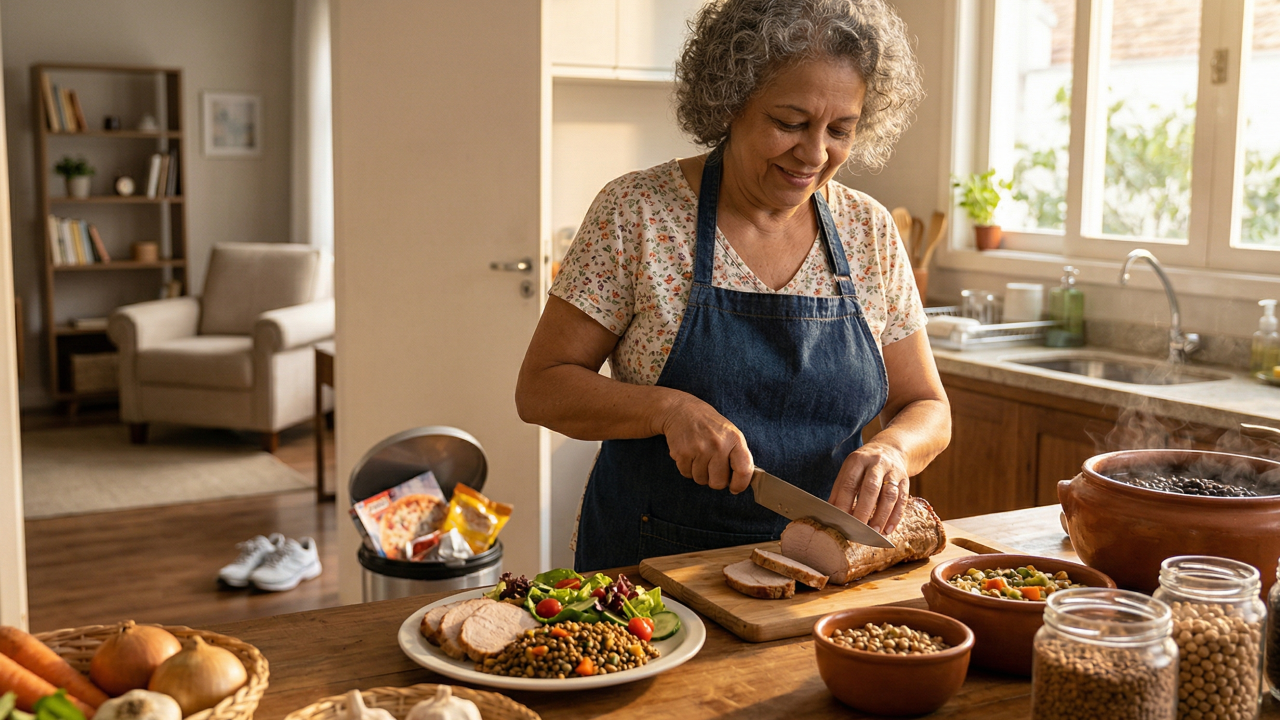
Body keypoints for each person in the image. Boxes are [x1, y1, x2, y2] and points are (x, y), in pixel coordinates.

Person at [516, 0, 951, 572]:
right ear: (729, 102)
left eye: (840, 129)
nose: (815, 153)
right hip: (652, 571)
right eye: (789, 123)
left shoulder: (867, 231)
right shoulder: (638, 212)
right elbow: (541, 389)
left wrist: (893, 450)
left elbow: (927, 406)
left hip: (819, 565)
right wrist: (667, 410)